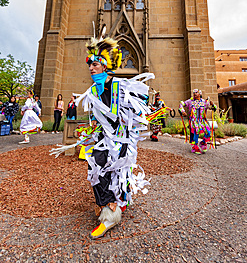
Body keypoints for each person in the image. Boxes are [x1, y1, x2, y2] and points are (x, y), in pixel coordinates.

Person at [51, 33, 155, 239]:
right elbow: (96, 118)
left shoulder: (120, 85)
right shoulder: (92, 91)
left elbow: (142, 101)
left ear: (105, 66)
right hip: (103, 138)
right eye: (89, 64)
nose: (91, 68)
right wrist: (89, 132)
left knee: (110, 168)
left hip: (121, 138)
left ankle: (111, 211)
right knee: (97, 166)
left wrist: (135, 119)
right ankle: (112, 204)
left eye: (95, 64)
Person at [179, 89, 216, 154]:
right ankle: (195, 146)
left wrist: (212, 105)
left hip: (203, 120)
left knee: (208, 132)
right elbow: (181, 104)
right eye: (194, 93)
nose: (194, 94)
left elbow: (212, 108)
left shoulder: (204, 102)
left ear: (200, 94)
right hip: (194, 120)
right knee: (197, 131)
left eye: (196, 92)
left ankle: (203, 143)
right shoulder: (190, 101)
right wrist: (183, 111)